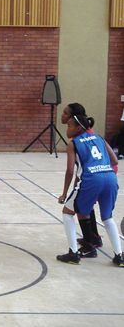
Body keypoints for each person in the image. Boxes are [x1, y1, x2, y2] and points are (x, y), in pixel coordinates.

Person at [56, 114, 124, 267]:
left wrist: (65, 192)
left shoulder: (73, 143)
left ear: (78, 128)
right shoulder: (99, 137)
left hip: (92, 179)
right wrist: (103, 168)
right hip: (110, 178)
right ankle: (119, 256)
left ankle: (73, 253)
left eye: (69, 126)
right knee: (107, 217)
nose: (67, 129)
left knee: (67, 212)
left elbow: (69, 171)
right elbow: (114, 160)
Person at [60, 103, 108, 257]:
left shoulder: (82, 139)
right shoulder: (84, 133)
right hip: (100, 173)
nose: (62, 115)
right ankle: (92, 239)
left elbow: (72, 170)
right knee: (84, 207)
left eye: (66, 113)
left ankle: (91, 241)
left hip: (99, 172)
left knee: (82, 207)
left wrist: (66, 191)